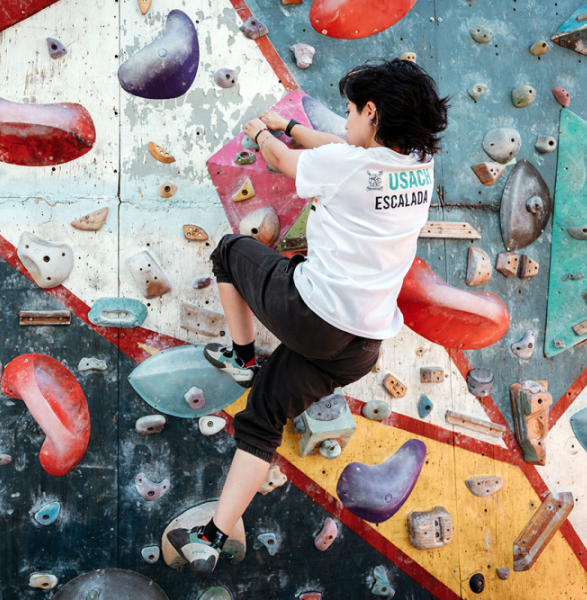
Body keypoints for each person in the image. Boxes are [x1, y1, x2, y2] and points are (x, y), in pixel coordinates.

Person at [168, 58, 450, 580]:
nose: (344, 122)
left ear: (372, 111)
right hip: (361, 346)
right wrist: (297, 128)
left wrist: (263, 132)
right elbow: (344, 150)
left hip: (314, 314)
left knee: (231, 251)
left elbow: (282, 162)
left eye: (349, 111)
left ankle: (241, 354)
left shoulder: (352, 165)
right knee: (261, 420)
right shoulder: (418, 168)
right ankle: (210, 539)